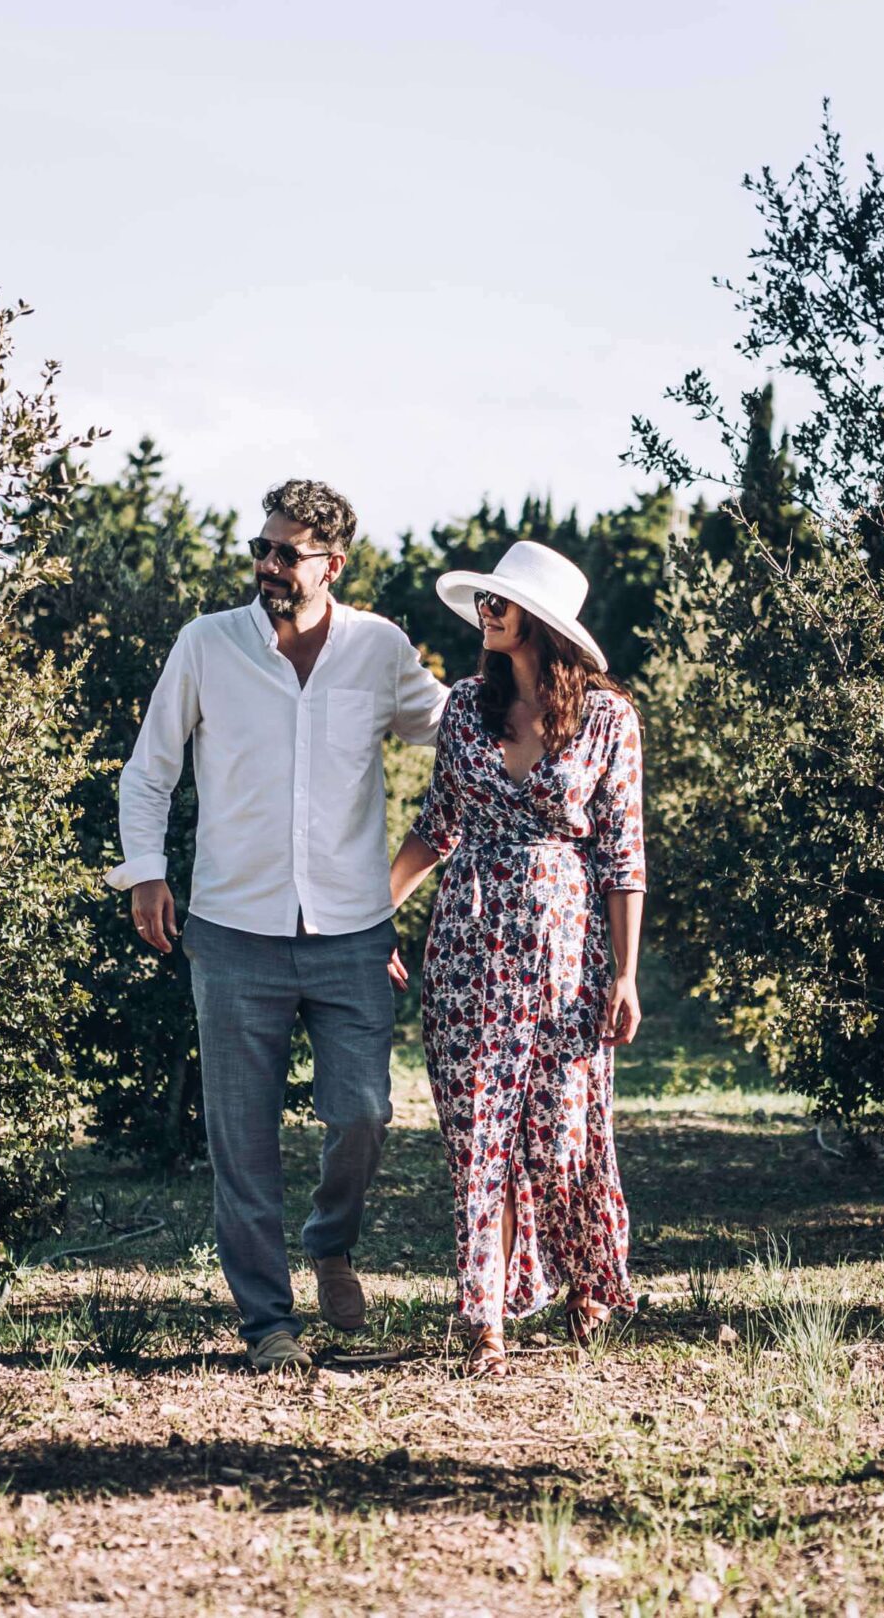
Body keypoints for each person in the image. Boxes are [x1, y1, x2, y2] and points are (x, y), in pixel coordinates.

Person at [107, 479, 447, 1372]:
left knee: (365, 1113)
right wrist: (146, 871)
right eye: (261, 548)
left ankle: (331, 1240)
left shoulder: (379, 650)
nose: (266, 565)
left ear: (331, 565)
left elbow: (456, 732)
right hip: (231, 928)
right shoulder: (207, 646)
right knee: (241, 1139)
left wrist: (550, 686)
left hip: (351, 931)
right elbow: (150, 770)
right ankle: (269, 1326)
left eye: (285, 553)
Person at [388, 540, 645, 1377]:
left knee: (566, 1134)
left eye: (500, 604)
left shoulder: (609, 719)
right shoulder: (465, 709)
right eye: (484, 603)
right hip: (468, 944)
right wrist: (367, 915)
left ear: (540, 623)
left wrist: (628, 973)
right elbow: (438, 827)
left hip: (568, 950)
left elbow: (623, 856)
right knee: (479, 1135)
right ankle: (486, 1317)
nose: (484, 615)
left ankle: (588, 1278)